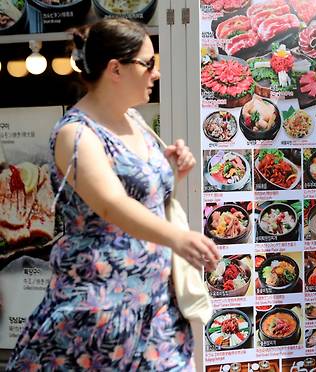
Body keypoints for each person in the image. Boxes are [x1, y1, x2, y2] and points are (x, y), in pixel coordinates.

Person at [6, 19, 219, 371]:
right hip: (100, 312)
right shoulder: (76, 133)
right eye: (148, 64)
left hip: (155, 307)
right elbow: (111, 204)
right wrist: (179, 238)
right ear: (115, 69)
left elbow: (144, 200)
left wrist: (172, 173)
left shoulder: (134, 120)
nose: (156, 73)